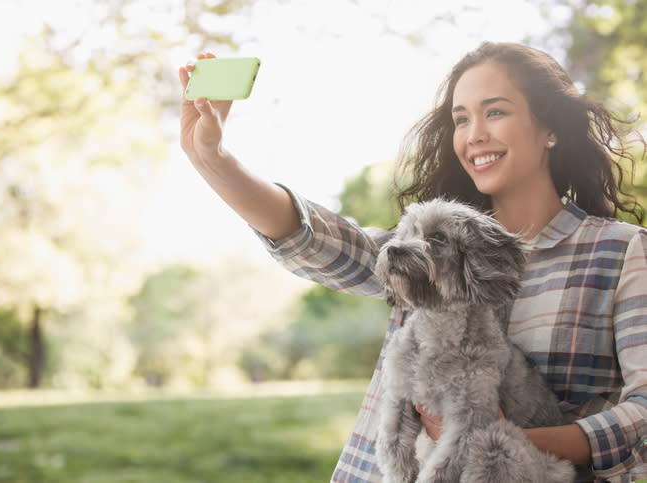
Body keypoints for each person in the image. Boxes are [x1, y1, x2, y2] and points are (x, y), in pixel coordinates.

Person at [179, 43, 647, 482]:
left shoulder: (620, 254)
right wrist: (213, 158)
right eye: (461, 120)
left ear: (551, 130)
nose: (474, 135)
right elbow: (312, 238)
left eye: (496, 112)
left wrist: (509, 444)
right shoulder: (422, 250)